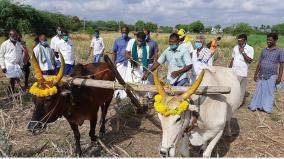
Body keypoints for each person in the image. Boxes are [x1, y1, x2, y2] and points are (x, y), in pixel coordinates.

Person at [249, 33, 284, 114]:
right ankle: (256, 105)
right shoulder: (264, 50)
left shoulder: (280, 51)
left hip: (272, 75)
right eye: (268, 39)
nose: (268, 41)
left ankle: (266, 108)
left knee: (269, 92)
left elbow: (282, 65)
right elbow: (260, 63)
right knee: (259, 90)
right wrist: (255, 74)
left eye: (270, 40)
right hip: (261, 74)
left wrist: (279, 77)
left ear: (275, 40)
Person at [229, 34, 254, 103]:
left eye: (241, 41)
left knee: (241, 89)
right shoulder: (235, 47)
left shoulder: (250, 49)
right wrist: (229, 69)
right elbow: (232, 59)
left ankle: (239, 103)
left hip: (242, 72)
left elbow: (250, 61)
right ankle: (232, 102)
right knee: (233, 88)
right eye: (238, 41)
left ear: (245, 41)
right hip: (234, 71)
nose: (239, 43)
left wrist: (243, 52)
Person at [112, 26, 131, 99]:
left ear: (128, 32)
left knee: (127, 79)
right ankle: (118, 95)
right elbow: (114, 52)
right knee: (118, 79)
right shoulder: (117, 41)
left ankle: (126, 95)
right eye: (123, 32)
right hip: (119, 63)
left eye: (125, 32)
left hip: (128, 63)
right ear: (121, 32)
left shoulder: (131, 40)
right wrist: (113, 64)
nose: (124, 34)